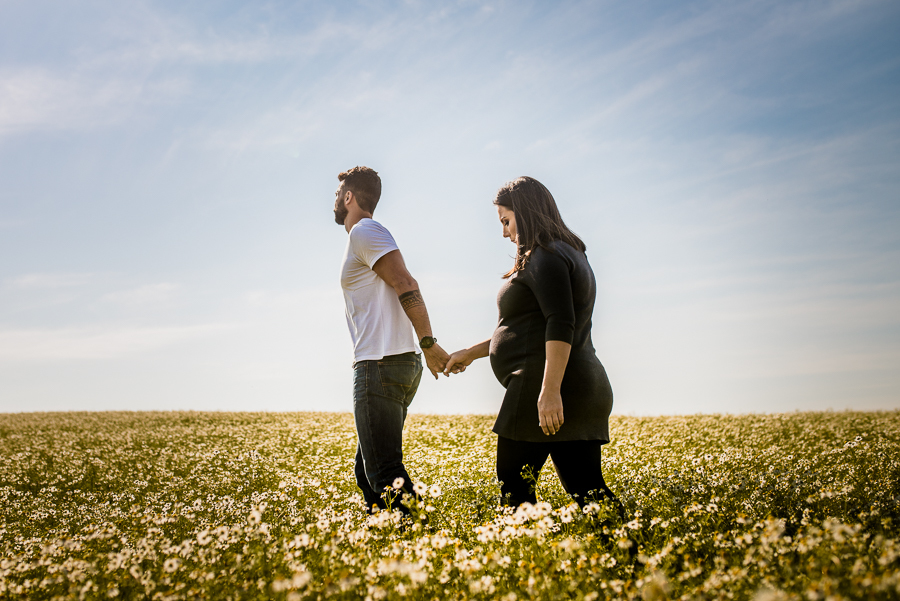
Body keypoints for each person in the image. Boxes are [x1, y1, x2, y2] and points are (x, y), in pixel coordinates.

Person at [443, 176, 623, 513]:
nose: (504, 232)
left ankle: (523, 560)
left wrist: (550, 390)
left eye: (506, 221)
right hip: (575, 385)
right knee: (587, 489)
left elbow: (560, 322)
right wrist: (470, 353)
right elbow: (525, 326)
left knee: (514, 490)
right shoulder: (567, 253)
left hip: (541, 387)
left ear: (524, 214)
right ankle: (634, 557)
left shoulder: (545, 255)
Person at [334, 166, 450, 515]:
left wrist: (429, 343)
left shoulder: (364, 231)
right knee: (366, 470)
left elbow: (405, 282)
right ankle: (385, 547)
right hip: (392, 363)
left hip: (380, 364)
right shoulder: (365, 236)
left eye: (338, 194)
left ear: (349, 197)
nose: (336, 200)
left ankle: (424, 546)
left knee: (385, 473)